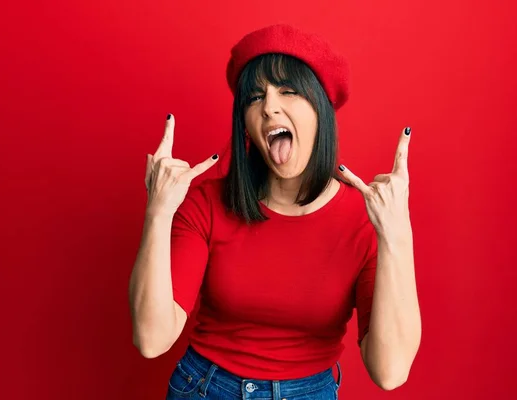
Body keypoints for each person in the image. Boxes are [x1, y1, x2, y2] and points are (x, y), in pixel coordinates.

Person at [129, 24, 421, 399]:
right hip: (204, 388)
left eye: (288, 91)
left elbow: (390, 371)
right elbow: (151, 339)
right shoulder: (206, 204)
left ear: (321, 110)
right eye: (255, 97)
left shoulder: (368, 220)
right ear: (246, 123)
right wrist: (157, 212)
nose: (269, 107)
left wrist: (397, 236)